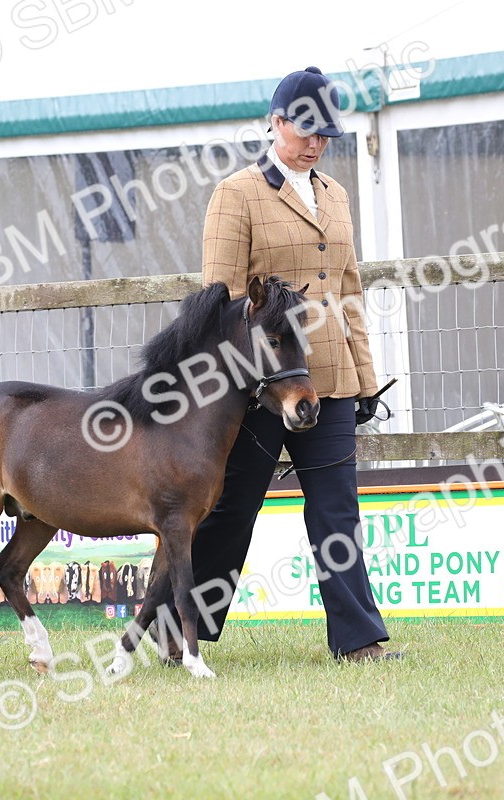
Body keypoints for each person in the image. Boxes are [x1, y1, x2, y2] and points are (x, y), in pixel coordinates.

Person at [154, 66, 399, 662]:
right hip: (262, 386)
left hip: (330, 381)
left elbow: (349, 292)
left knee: (337, 509)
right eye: (306, 130)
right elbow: (220, 303)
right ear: (277, 121)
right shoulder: (236, 195)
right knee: (233, 510)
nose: (315, 143)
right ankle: (175, 631)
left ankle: (359, 639)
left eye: (325, 134)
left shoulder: (336, 195)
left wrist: (365, 380)